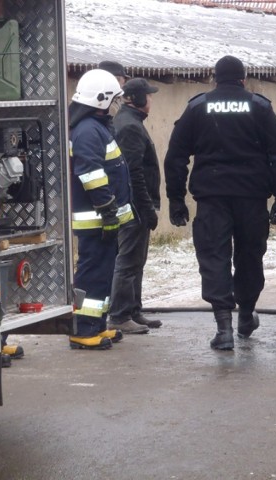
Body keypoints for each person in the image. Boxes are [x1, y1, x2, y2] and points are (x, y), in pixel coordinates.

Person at [164, 55, 276, 350]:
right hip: (251, 198)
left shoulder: (197, 107)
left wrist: (176, 198)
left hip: (212, 199)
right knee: (249, 256)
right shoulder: (259, 107)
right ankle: (246, 315)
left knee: (214, 258)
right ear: (243, 79)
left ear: (214, 79)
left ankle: (223, 326)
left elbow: (176, 156)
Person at [68, 68, 137, 349]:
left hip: (103, 220)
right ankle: (83, 330)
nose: (116, 105)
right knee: (92, 274)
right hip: (95, 221)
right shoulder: (87, 131)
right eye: (114, 99)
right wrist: (108, 210)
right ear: (101, 100)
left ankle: (96, 324)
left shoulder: (95, 128)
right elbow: (91, 175)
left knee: (103, 273)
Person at [107, 78, 162, 330]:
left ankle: (133, 310)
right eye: (148, 96)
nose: (151, 101)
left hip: (136, 205)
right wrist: (147, 209)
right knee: (128, 261)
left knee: (137, 261)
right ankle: (120, 316)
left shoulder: (131, 121)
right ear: (135, 99)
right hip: (134, 207)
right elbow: (134, 173)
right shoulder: (129, 126)